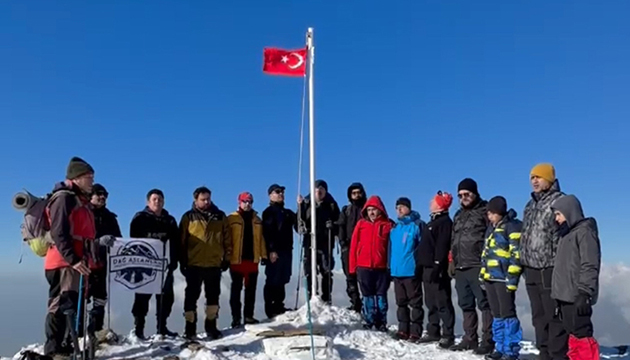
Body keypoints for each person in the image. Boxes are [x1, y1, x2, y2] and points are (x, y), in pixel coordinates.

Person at [43, 157, 115, 359]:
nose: (92, 180)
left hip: (74, 261)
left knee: (71, 305)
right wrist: (73, 259)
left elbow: (82, 234)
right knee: (60, 304)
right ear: (77, 177)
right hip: (63, 262)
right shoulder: (64, 198)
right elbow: (59, 232)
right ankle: (54, 350)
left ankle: (65, 346)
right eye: (88, 176)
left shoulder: (79, 199)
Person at [520, 164, 568, 360]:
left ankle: (558, 355)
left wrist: (560, 265)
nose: (534, 181)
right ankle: (544, 353)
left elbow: (564, 235)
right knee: (538, 318)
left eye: (539, 177)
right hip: (530, 268)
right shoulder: (530, 204)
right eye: (532, 177)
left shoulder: (560, 201)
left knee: (554, 316)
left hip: (549, 268)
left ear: (549, 179)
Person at [550, 195, 601, 360]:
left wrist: (585, 292)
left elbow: (590, 264)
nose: (556, 219)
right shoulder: (565, 235)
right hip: (564, 297)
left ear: (570, 212)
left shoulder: (585, 233)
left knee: (581, 336)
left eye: (559, 214)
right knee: (571, 338)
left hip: (577, 296)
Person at [179, 186, 232, 340]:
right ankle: (190, 329)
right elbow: (181, 241)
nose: (206, 201)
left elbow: (227, 240)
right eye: (203, 199)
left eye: (208, 198)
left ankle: (211, 327)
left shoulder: (220, 216)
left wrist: (226, 259)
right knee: (190, 298)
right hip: (193, 264)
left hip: (213, 264)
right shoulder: (188, 217)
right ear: (196, 200)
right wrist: (182, 261)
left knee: (213, 298)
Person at [450, 178, 494, 354]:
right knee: (465, 303)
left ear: (475, 193)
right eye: (460, 195)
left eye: (466, 194)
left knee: (485, 304)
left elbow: (491, 236)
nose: (463, 198)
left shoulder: (485, 211)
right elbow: (454, 239)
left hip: (478, 264)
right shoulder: (458, 215)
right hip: (461, 266)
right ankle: (470, 338)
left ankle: (488, 340)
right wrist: (452, 260)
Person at [129, 188, 180, 338]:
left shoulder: (169, 220)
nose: (157, 202)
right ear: (148, 202)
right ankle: (139, 329)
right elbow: (133, 241)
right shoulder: (139, 219)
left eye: (160, 200)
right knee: (142, 298)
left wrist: (174, 262)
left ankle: (161, 327)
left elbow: (175, 242)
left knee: (166, 297)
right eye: (154, 199)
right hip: (144, 265)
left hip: (164, 265)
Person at [480, 196, 524, 360]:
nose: (489, 217)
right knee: (497, 314)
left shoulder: (511, 227)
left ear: (500, 212)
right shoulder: (491, 229)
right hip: (490, 278)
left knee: (508, 314)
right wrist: (483, 275)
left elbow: (516, 254)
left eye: (492, 214)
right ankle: (499, 347)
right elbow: (485, 254)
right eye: (488, 214)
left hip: (503, 279)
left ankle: (511, 350)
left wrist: (512, 279)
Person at [349, 195, 393, 331]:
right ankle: (369, 320)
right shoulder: (361, 224)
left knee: (381, 295)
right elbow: (354, 245)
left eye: (374, 209)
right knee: (367, 295)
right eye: (369, 210)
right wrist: (352, 267)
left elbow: (392, 247)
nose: (372, 213)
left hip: (381, 267)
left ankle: (381, 322)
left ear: (380, 210)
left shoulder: (388, 225)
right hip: (363, 266)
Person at [227, 192, 267, 328]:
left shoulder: (257, 220)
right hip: (236, 260)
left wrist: (264, 255)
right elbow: (226, 239)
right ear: (239, 202)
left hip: (252, 260)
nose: (247, 204)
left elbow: (261, 239)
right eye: (245, 201)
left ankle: (249, 316)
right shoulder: (231, 219)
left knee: (251, 290)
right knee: (236, 290)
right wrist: (226, 256)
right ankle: (236, 318)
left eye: (250, 201)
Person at [87, 183, 122, 334]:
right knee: (79, 300)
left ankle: (96, 331)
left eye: (105, 195)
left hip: (102, 263)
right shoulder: (83, 214)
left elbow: (119, 240)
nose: (102, 197)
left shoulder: (110, 217)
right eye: (99, 194)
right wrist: (98, 242)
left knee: (100, 298)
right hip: (82, 264)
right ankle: (77, 336)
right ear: (91, 196)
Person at [298, 179, 340, 304]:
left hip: (326, 242)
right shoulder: (306, 203)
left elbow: (339, 223)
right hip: (309, 242)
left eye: (321, 189)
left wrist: (332, 226)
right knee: (309, 271)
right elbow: (298, 221)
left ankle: (326, 298)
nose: (319, 191)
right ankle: (311, 296)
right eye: (316, 189)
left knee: (326, 271)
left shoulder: (331, 205)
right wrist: (301, 226)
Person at [423, 191, 456, 348]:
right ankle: (433, 330)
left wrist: (438, 264)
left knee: (442, 300)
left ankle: (448, 334)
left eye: (433, 200)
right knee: (430, 301)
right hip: (428, 267)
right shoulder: (433, 222)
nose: (430, 202)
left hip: (438, 268)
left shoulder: (444, 222)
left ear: (440, 205)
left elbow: (442, 246)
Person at [389, 197, 424, 342]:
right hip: (397, 271)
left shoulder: (416, 225)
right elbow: (391, 249)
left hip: (411, 270)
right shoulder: (395, 228)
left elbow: (422, 247)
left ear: (409, 208)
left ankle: (416, 331)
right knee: (401, 303)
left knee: (415, 303)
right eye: (397, 207)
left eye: (402, 207)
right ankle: (403, 330)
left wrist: (419, 265)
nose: (399, 210)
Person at [262, 184, 298, 318]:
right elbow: (267, 232)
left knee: (283, 278)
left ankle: (279, 305)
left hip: (287, 250)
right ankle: (270, 309)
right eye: (277, 192)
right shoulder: (269, 212)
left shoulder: (287, 212)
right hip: (275, 251)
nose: (281, 194)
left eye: (282, 191)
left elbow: (298, 224)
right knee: (273, 278)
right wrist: (271, 250)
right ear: (270, 195)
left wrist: (300, 206)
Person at [337, 182, 367, 313]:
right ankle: (355, 302)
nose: (356, 195)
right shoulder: (346, 210)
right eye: (354, 193)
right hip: (348, 247)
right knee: (350, 276)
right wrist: (342, 243)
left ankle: (366, 305)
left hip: (363, 247)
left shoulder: (367, 209)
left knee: (364, 276)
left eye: (358, 192)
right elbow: (341, 226)